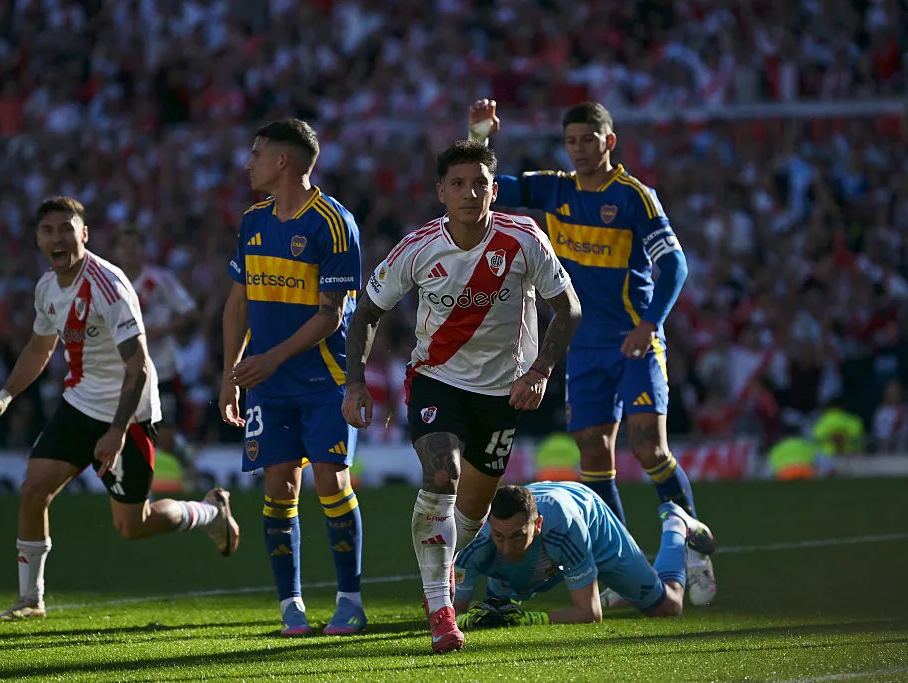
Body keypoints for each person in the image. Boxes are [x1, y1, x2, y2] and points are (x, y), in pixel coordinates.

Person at [468, 99, 716, 606]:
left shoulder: (634, 197)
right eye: (572, 141)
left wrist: (649, 325)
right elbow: (487, 190)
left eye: (589, 139)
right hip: (580, 348)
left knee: (649, 448)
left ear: (610, 142)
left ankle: (693, 545)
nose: (580, 149)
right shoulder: (555, 188)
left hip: (632, 342)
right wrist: (480, 138)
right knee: (594, 455)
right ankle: (624, 565)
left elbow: (675, 267)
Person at [342, 140, 582, 653]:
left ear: (495, 189)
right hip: (437, 381)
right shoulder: (419, 246)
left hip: (503, 392)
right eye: (458, 184)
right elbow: (366, 312)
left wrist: (540, 369)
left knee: (471, 513)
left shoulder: (524, 239)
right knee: (441, 477)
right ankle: (441, 610)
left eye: (480, 183)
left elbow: (569, 310)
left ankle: (445, 570)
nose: (470, 193)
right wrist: (355, 381)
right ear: (441, 192)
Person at [0, 196, 239, 621]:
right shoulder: (47, 287)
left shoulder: (107, 285)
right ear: (38, 239)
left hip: (128, 410)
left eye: (67, 229)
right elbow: (41, 347)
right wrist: (4, 396)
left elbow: (138, 366)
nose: (57, 237)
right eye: (48, 230)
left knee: (131, 525)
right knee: (33, 488)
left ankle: (209, 512)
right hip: (80, 402)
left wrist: (117, 431)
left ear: (84, 234)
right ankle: (30, 599)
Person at [220, 119, 366, 637]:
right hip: (267, 381)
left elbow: (332, 314)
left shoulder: (333, 222)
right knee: (279, 488)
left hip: (325, 379)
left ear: (284, 161)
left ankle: (350, 600)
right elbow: (238, 300)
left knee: (331, 481)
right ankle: (291, 606)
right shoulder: (253, 221)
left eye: (256, 153)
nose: (248, 163)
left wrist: (270, 358)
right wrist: (230, 373)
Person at [452, 482, 715, 628]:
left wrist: (534, 619)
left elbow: (590, 612)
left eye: (518, 536)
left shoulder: (565, 530)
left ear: (538, 525)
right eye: (499, 536)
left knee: (668, 608)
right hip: (546, 526)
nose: (508, 548)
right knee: (498, 610)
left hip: (592, 523)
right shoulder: (472, 538)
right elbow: (454, 616)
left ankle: (675, 523)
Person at [112, 226, 200, 488]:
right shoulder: (111, 284)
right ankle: (137, 490)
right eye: (124, 247)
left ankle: (184, 455)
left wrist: (165, 329)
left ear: (143, 250)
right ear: (116, 251)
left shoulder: (161, 279)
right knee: (129, 430)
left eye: (135, 246)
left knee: (166, 437)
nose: (129, 252)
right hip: (125, 371)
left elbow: (190, 312)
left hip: (162, 368)